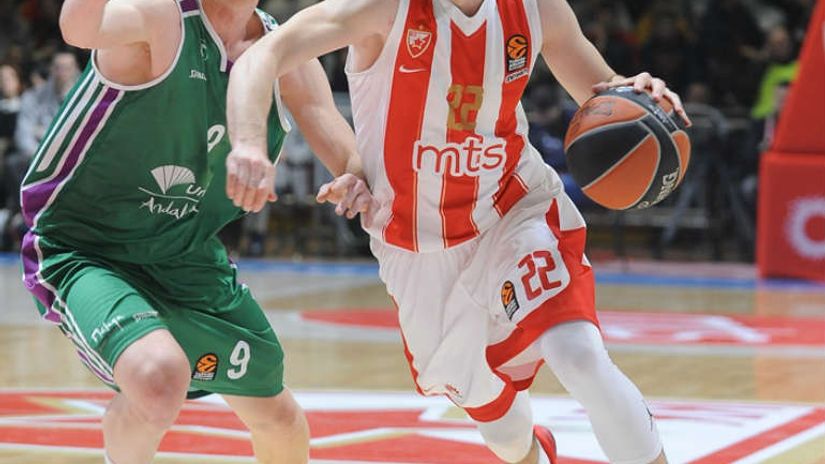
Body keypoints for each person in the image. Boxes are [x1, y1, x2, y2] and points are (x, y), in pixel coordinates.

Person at [226, 1, 690, 463]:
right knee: (504, 432)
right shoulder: (383, 9)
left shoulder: (537, 9)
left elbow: (603, 92)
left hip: (511, 208)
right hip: (415, 248)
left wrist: (636, 93)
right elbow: (263, 54)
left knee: (578, 354)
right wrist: (248, 144)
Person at [20, 0, 359, 462]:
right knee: (158, 378)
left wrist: (357, 179)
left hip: (184, 253)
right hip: (86, 245)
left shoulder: (287, 52)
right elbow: (80, 28)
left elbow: (344, 149)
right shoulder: (162, 17)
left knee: (280, 419)